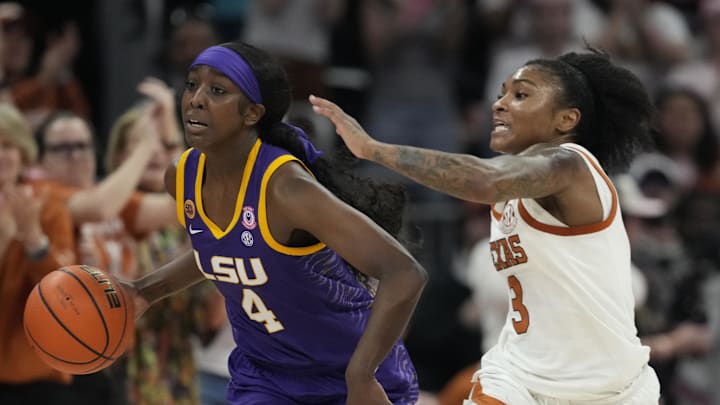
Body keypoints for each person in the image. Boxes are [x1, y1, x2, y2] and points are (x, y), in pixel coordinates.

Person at [310, 48, 661, 403]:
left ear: (566, 120)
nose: (500, 104)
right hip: (519, 376)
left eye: (521, 95)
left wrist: (372, 149)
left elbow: (483, 180)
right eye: (501, 94)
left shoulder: (571, 165)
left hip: (611, 388)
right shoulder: (513, 190)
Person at [122, 41, 427, 405]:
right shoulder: (182, 176)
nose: (196, 99)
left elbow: (404, 273)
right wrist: (144, 291)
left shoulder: (286, 188)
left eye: (217, 90)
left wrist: (360, 375)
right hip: (265, 377)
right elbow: (222, 253)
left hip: (348, 376)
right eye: (191, 85)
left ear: (252, 112)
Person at [0, 103, 76, 404]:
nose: (2, 155)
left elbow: (65, 291)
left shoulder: (46, 203)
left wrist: (33, 240)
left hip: (36, 377)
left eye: (8, 145)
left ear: (22, 152)